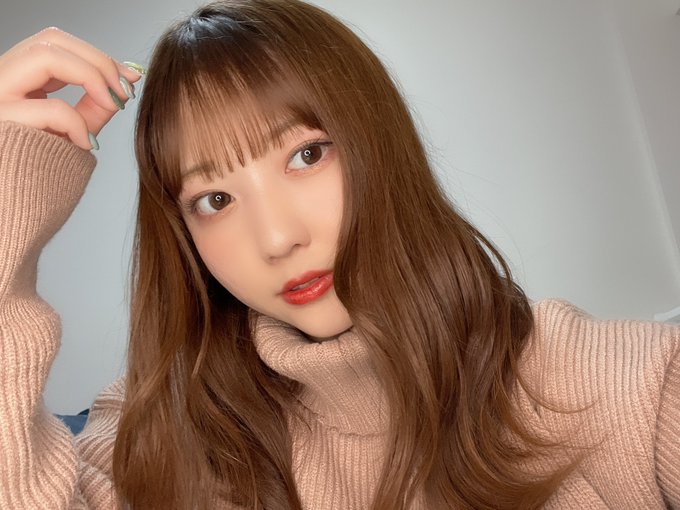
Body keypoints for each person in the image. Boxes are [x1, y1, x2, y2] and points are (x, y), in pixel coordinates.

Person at [0, 0, 678, 508]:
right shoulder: (154, 437)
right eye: (215, 199)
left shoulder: (617, 388)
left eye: (306, 155)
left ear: (380, 144)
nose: (277, 239)